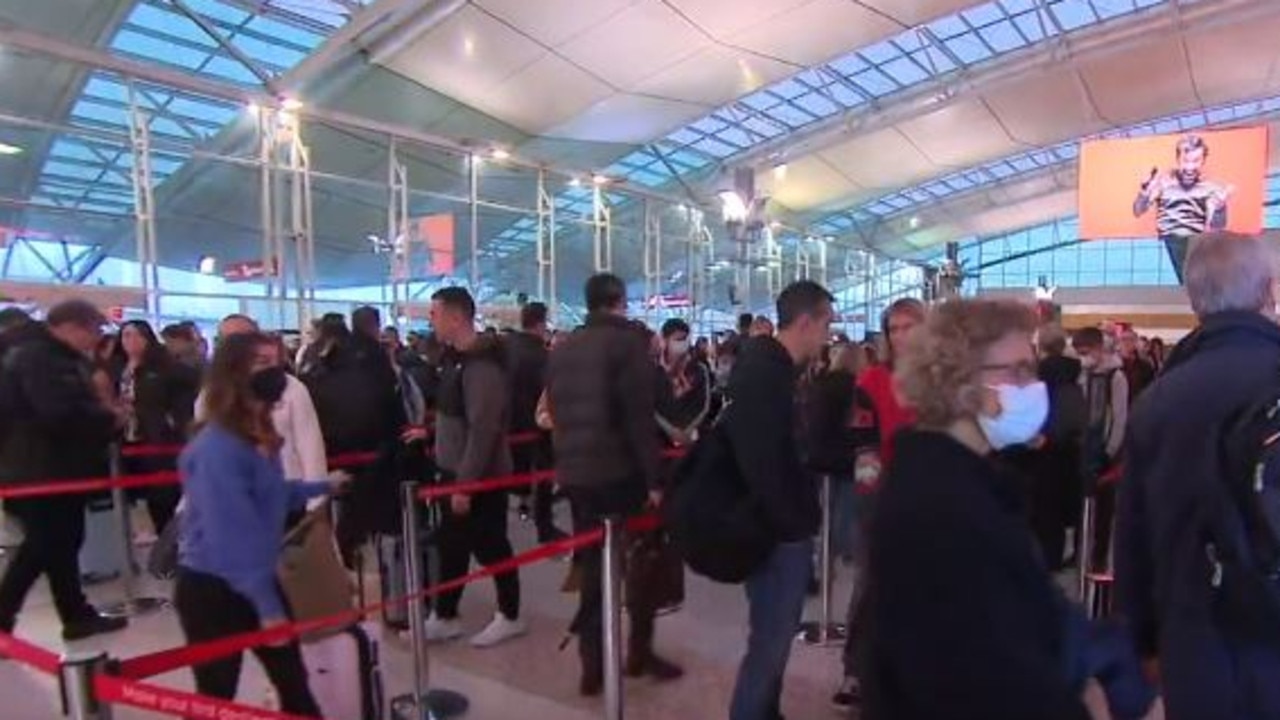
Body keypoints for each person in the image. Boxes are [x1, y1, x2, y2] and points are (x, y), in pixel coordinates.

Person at [862, 298, 1101, 720]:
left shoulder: (956, 479)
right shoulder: (945, 505)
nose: (1033, 385)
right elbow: (988, 675)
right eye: (1019, 371)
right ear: (960, 382)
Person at [1118, 231, 1280, 720]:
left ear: (1194, 299)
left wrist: (1143, 639)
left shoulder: (1157, 401)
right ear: (1269, 290)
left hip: (1194, 633)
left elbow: (1134, 535)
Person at [175, 332, 344, 714]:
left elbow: (269, 494)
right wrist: (268, 609)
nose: (276, 372)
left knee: (293, 684)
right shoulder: (218, 447)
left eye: (277, 361)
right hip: (215, 588)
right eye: (262, 363)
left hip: (255, 577)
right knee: (216, 695)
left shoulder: (254, 434)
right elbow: (232, 535)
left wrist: (321, 486)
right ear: (235, 374)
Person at [547, 273, 680, 696]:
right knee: (643, 561)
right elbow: (638, 419)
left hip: (576, 473)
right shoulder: (628, 345)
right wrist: (654, 478)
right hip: (620, 475)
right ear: (620, 301)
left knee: (592, 569)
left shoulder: (564, 349)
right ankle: (639, 651)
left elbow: (557, 412)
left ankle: (593, 665)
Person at [726, 280, 832, 720]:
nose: (828, 335)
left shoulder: (773, 369)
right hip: (775, 531)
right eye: (826, 324)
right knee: (768, 642)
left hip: (776, 524)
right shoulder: (766, 374)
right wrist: (795, 522)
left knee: (773, 634)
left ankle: (766, 711)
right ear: (805, 322)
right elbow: (765, 460)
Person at [0, 300, 127, 640]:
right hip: (41, 468)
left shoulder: (43, 355)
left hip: (48, 466)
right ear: (72, 326)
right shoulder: (40, 358)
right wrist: (108, 417)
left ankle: (75, 614)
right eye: (94, 330)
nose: (97, 339)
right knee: (43, 545)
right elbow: (58, 412)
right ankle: (5, 615)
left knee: (61, 543)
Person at [424, 287, 525, 648]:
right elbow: (456, 417)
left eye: (434, 314)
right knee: (452, 546)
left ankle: (511, 614)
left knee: (491, 545)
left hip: (480, 476)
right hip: (454, 470)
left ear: (456, 317)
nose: (429, 320)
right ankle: (445, 614)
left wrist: (465, 485)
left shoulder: (483, 365)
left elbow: (484, 428)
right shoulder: (456, 360)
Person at [200, 315, 328, 491]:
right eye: (231, 340)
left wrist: (317, 502)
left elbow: (310, 448)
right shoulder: (210, 394)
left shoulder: (291, 388)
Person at [110, 320, 199, 536]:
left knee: (165, 496)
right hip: (127, 439)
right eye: (126, 336)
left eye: (137, 335)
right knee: (143, 496)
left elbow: (185, 395)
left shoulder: (164, 368)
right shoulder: (117, 369)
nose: (131, 341)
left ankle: (174, 541)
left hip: (159, 440)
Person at [1132, 134, 1234, 280]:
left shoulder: (1210, 187)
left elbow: (1217, 226)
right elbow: (1138, 211)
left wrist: (1220, 207)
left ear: (1203, 160)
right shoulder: (1163, 183)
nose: (1190, 167)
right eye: (1185, 161)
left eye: (1196, 161)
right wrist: (1144, 192)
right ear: (1178, 160)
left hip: (1195, 244)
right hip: (1169, 242)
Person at [506, 302, 564, 543]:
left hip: (508, 423)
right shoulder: (542, 356)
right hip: (536, 425)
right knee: (543, 476)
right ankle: (544, 526)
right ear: (541, 323)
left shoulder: (506, 349)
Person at [1072, 326, 1129, 569]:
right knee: (1081, 506)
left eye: (1085, 352)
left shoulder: (1116, 376)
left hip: (1105, 452)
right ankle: (1079, 552)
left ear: (1098, 349)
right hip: (1083, 447)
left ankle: (1098, 558)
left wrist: (1110, 450)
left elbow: (1120, 416)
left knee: (1104, 509)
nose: (1082, 357)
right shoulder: (1082, 375)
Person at [858, 298, 925, 471]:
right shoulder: (872, 378)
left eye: (908, 327)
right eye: (893, 329)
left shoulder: (942, 374)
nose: (899, 336)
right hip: (887, 476)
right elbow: (862, 441)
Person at [654, 318, 711, 448]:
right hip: (659, 437)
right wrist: (671, 431)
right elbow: (651, 404)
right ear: (665, 340)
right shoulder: (654, 370)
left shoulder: (699, 369)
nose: (682, 344)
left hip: (691, 435)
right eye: (677, 339)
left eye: (684, 339)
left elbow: (704, 404)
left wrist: (687, 429)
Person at [1117, 329, 1155, 402]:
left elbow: (1150, 389)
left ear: (1136, 343)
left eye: (1130, 339)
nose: (1126, 342)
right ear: (1119, 343)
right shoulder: (1113, 366)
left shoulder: (1145, 366)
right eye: (1123, 339)